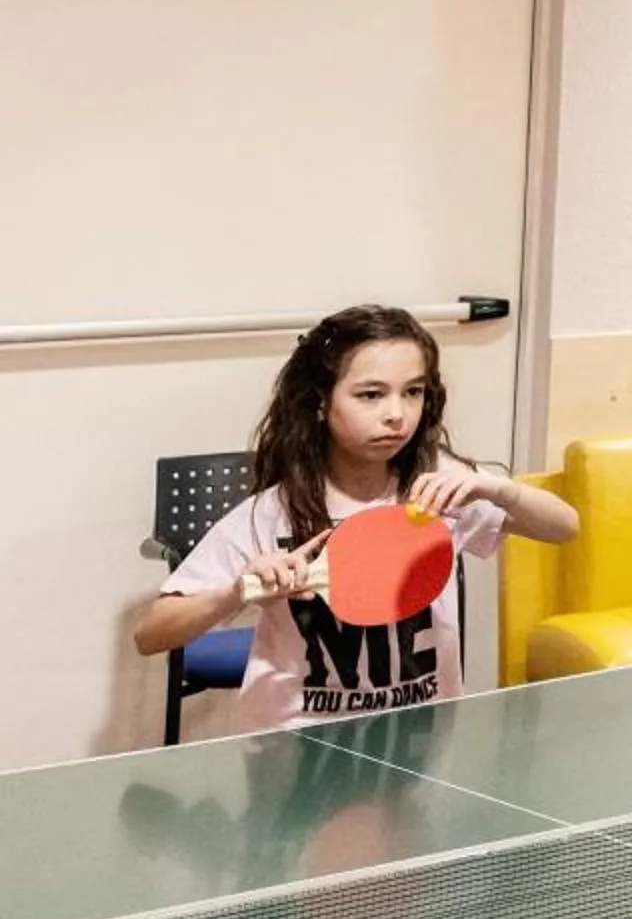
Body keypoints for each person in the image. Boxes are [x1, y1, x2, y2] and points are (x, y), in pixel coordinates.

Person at [133, 305, 579, 730]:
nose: (396, 414)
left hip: (419, 739)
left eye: (413, 392)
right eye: (371, 394)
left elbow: (565, 528)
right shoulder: (271, 513)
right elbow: (151, 635)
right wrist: (239, 592)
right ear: (322, 403)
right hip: (297, 748)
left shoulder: (439, 490)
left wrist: (500, 489)